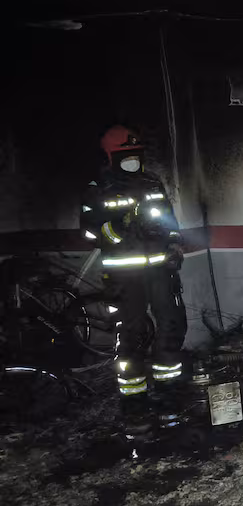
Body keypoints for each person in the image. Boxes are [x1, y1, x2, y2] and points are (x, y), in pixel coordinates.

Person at [80, 125, 187, 432]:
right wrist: (119, 229)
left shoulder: (152, 183)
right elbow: (90, 233)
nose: (132, 161)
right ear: (111, 157)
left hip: (160, 272)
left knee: (172, 328)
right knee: (131, 337)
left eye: (136, 155)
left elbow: (170, 221)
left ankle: (168, 398)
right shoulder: (98, 189)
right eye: (125, 156)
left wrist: (173, 245)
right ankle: (135, 406)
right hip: (124, 278)